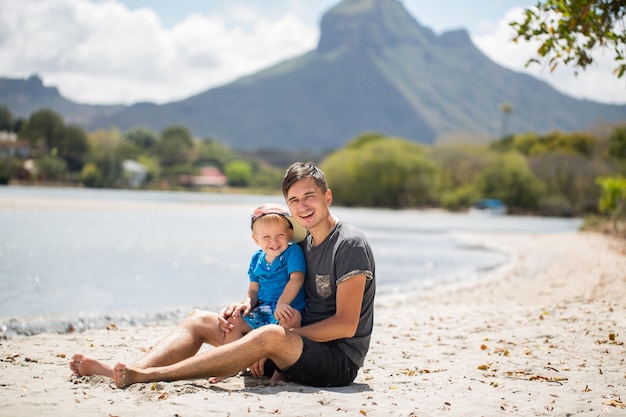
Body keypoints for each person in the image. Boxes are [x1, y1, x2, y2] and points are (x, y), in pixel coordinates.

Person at [69, 161, 376, 388]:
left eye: (309, 196)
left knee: (269, 335)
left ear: (327, 197)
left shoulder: (348, 244)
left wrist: (276, 338)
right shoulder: (299, 243)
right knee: (199, 319)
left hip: (335, 361)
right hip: (289, 343)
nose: (302, 206)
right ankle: (127, 370)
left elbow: (346, 325)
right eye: (293, 201)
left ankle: (151, 376)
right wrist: (247, 306)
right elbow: (271, 283)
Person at [211, 203, 307, 382]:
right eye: (267, 237)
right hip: (264, 309)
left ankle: (281, 372)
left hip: (286, 306)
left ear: (290, 234)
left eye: (280, 235)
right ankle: (228, 365)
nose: (274, 242)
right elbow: (253, 290)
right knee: (234, 320)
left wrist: (282, 303)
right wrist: (247, 303)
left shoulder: (292, 252)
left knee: (291, 319)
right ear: (256, 239)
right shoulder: (256, 259)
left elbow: (297, 279)